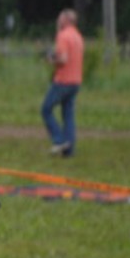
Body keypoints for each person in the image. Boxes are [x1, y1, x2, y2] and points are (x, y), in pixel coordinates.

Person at [41, 9, 84, 157]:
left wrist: (51, 60)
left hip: (63, 80)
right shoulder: (78, 36)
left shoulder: (63, 35)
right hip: (76, 80)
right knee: (68, 115)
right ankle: (69, 149)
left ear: (65, 20)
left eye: (59, 18)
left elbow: (63, 59)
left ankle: (59, 139)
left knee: (46, 109)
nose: (58, 21)